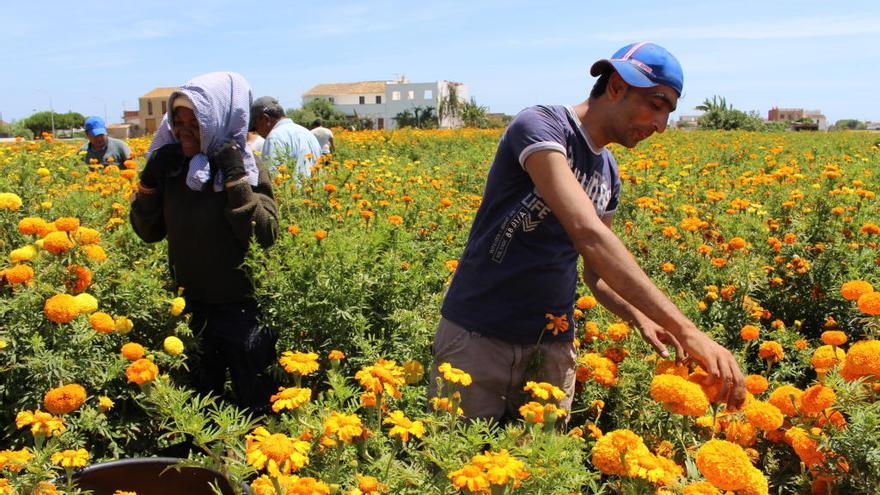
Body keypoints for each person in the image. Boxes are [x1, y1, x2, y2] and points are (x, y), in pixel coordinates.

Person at [430, 42, 746, 422]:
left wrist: (643, 317)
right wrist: (689, 330)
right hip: (479, 337)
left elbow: (596, 275)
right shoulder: (542, 126)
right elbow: (588, 234)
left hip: (552, 347)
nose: (661, 126)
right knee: (458, 466)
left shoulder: (608, 172)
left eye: (669, 112)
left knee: (542, 472)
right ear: (616, 86)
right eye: (657, 104)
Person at [129, 72, 280, 412]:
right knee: (196, 410)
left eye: (195, 122)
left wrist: (234, 179)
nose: (183, 130)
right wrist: (149, 183)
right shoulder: (173, 166)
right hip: (192, 309)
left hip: (244, 308)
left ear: (220, 119)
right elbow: (148, 232)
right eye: (177, 120)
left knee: (257, 404)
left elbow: (265, 233)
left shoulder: (246, 166)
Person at [249, 96, 321, 176]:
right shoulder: (308, 134)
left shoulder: (273, 138)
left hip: (290, 188)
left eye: (255, 127)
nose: (257, 132)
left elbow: (273, 178)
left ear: (266, 119)